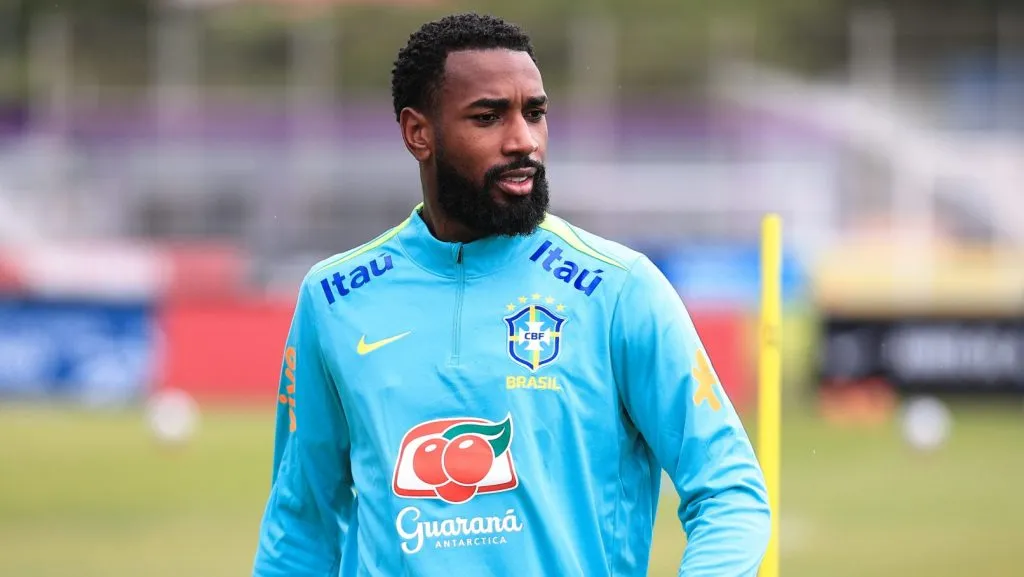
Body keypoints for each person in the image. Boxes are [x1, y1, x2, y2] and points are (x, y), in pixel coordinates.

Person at [253, 12, 770, 577]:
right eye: (489, 117)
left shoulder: (619, 288)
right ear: (418, 133)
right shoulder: (333, 300)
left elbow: (727, 492)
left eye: (536, 113)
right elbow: (301, 525)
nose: (523, 141)